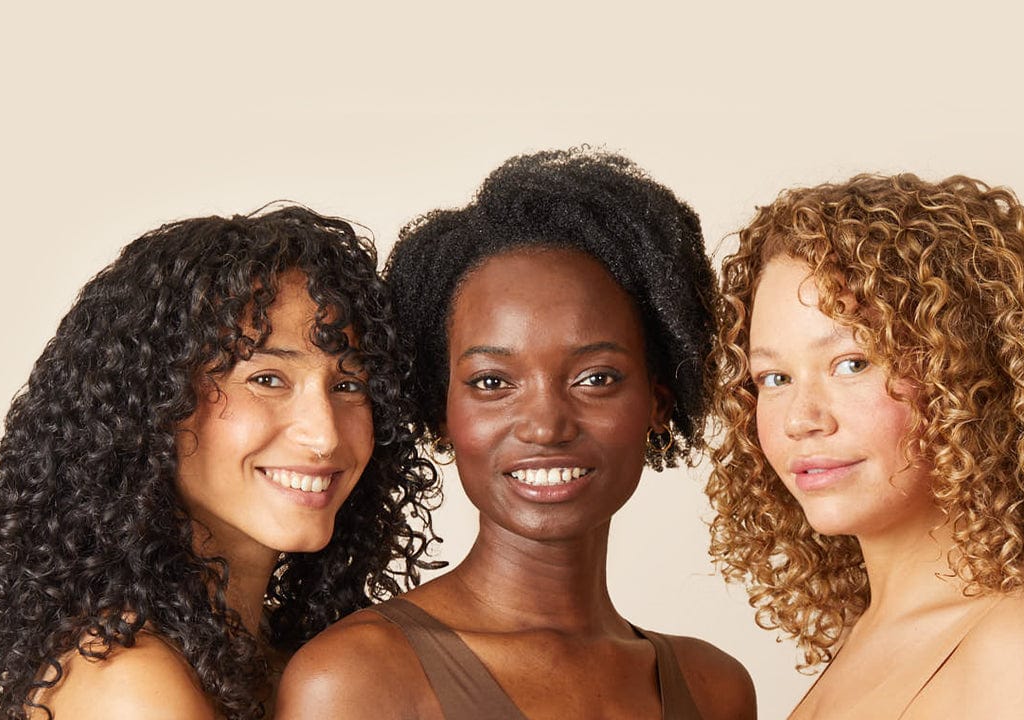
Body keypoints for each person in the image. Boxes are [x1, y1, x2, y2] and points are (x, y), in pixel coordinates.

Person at [276, 149, 757, 719]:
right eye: (491, 381)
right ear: (440, 410)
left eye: (596, 378)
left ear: (658, 401)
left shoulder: (714, 687)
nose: (545, 424)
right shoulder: (357, 679)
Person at [0, 206, 441, 720]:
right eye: (267, 379)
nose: (324, 435)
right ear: (152, 404)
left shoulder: (265, 659)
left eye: (348, 385)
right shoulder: (132, 682)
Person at [707, 174, 1024, 719]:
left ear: (970, 374)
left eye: (853, 364)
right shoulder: (880, 632)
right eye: (773, 377)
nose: (801, 420)